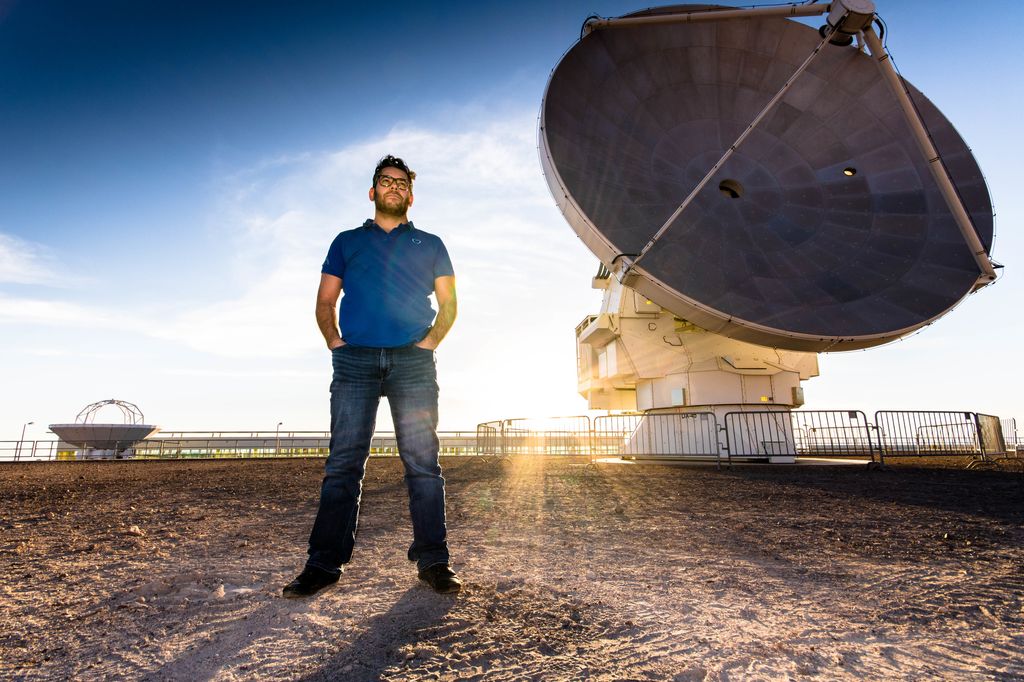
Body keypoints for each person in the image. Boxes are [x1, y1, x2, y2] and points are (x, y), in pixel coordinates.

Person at [283, 154, 461, 597]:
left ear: (411, 195)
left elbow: (450, 303)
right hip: (355, 361)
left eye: (402, 183)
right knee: (343, 464)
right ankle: (324, 563)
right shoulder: (346, 241)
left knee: (423, 465)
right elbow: (325, 301)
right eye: (386, 181)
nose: (394, 188)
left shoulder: (432, 243)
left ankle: (433, 560)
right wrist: (335, 343)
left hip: (413, 362)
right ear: (373, 191)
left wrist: (429, 345)